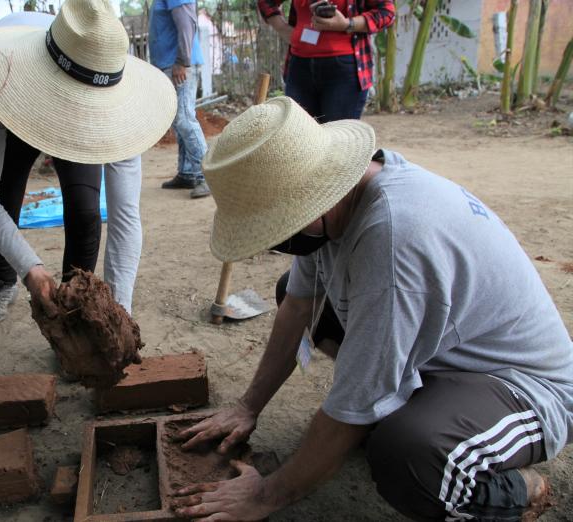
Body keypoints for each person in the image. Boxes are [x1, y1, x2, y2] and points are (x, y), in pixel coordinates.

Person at [172, 97, 571, 521]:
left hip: (522, 388)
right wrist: (248, 405)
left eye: (276, 227)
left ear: (313, 200)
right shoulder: (334, 194)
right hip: (442, 360)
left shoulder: (394, 240)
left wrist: (266, 496)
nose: (273, 242)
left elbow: (358, 398)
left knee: (407, 455)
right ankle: (418, 409)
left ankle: (516, 489)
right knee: (291, 287)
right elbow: (299, 306)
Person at [0, 0, 176, 325]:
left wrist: (120, 315)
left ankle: (73, 314)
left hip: (84, 111)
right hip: (19, 101)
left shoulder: (119, 99)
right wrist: (30, 268)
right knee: (7, 196)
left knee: (86, 211)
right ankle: (5, 280)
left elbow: (125, 216)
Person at [258, 0, 394, 122]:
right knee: (300, 139)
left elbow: (386, 12)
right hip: (299, 67)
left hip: (344, 70)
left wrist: (347, 24)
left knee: (337, 141)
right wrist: (283, 28)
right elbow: (266, 2)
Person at [149, 0, 211, 199]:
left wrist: (182, 61)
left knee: (184, 119)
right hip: (171, 64)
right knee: (179, 120)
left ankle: (208, 177)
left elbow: (186, 23)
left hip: (179, 65)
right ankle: (188, 173)